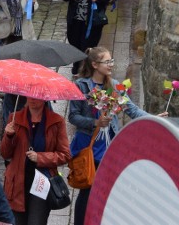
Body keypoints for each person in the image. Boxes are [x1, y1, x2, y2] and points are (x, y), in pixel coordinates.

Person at [68, 47, 164, 225]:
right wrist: (95, 123)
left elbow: (131, 109)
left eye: (112, 61)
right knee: (87, 188)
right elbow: (73, 117)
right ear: (95, 64)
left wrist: (153, 119)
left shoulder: (114, 85)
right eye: (107, 61)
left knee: (106, 188)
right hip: (89, 145)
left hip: (109, 145)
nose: (111, 65)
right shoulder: (81, 86)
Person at [0, 98, 71, 225]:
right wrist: (8, 136)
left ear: (44, 99)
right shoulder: (14, 118)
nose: (33, 99)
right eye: (30, 95)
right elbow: (5, 153)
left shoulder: (56, 121)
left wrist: (40, 158)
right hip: (17, 183)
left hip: (42, 183)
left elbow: (65, 155)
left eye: (37, 97)